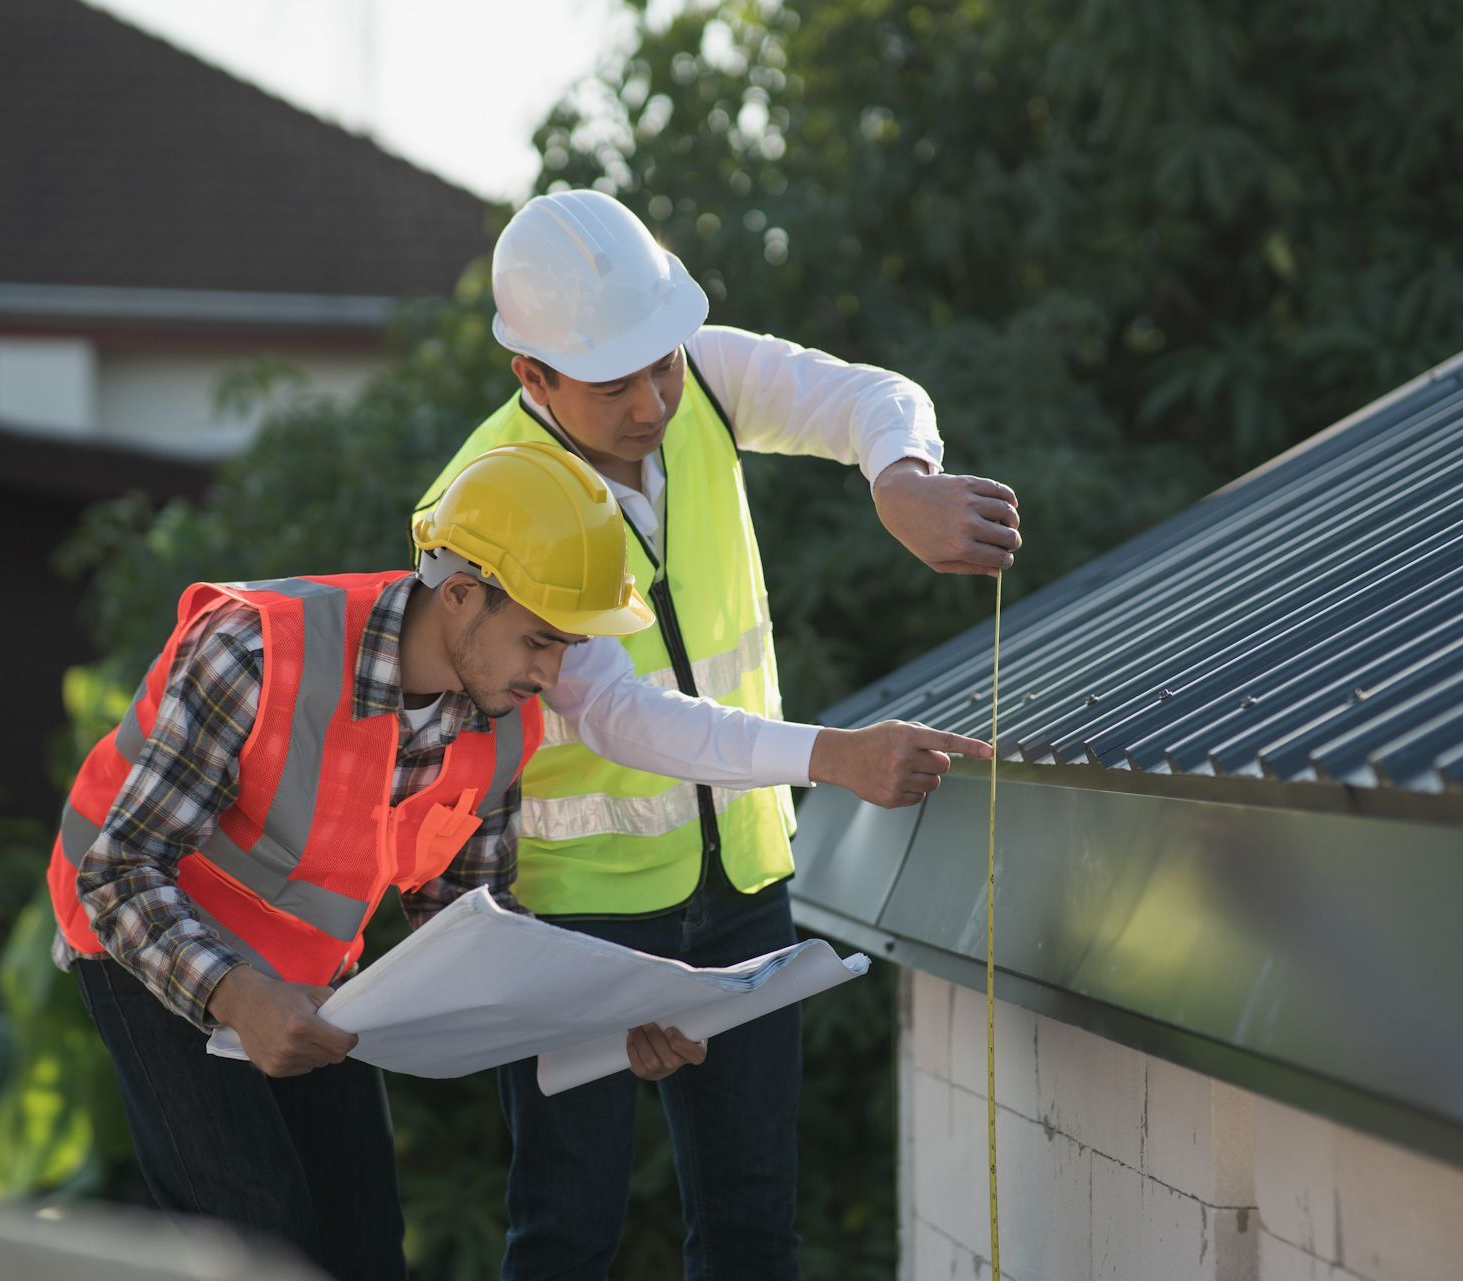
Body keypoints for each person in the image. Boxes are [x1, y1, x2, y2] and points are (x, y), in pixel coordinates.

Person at [49, 443, 988, 1281]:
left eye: (566, 646)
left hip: (305, 976)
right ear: (461, 594)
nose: (550, 674)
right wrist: (238, 995)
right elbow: (119, 868)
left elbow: (474, 943)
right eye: (539, 638)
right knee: (253, 1239)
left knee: (366, 1247)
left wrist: (607, 1032)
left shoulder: (502, 726)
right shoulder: (255, 653)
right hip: (147, 943)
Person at [414, 188, 1023, 1281]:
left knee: (752, 1228)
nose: (655, 401)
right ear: (533, 379)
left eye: (662, 365)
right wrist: (830, 757)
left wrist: (901, 478)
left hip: (742, 886)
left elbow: (868, 396)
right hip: (576, 915)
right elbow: (616, 712)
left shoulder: (696, 376)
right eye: (616, 385)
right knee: (565, 1232)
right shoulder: (488, 502)